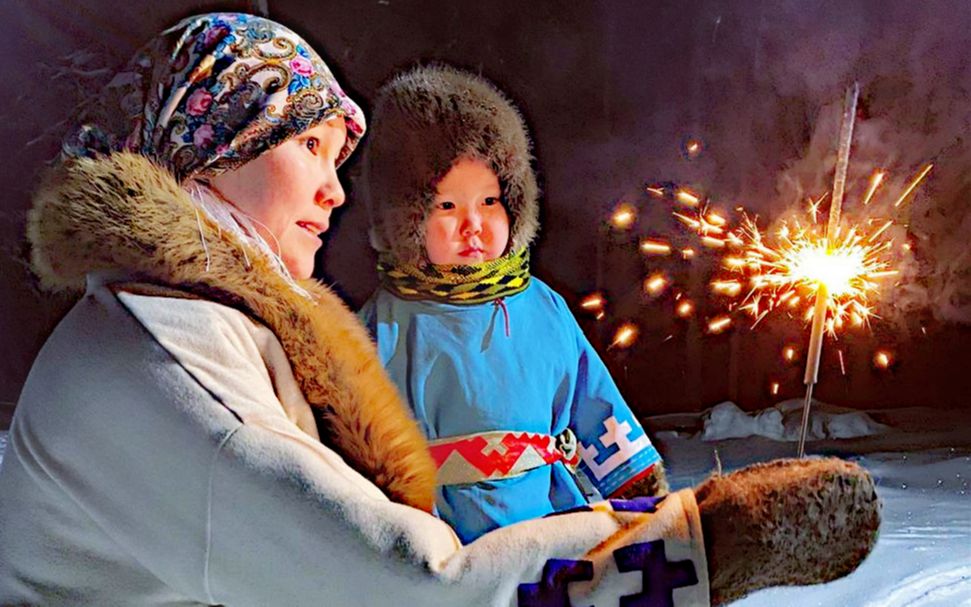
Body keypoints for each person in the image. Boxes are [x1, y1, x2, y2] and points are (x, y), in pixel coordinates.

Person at [0, 12, 879, 607]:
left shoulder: (192, 320)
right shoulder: (173, 369)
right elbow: (412, 587)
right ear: (218, 145)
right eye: (309, 145)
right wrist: (695, 544)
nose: (332, 189)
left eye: (342, 158)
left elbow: (590, 407)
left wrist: (632, 486)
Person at [359, 65, 667, 543]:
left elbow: (593, 402)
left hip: (547, 529)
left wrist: (643, 497)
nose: (473, 225)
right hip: (442, 543)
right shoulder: (383, 326)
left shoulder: (541, 308)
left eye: (489, 201)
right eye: (446, 206)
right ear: (405, 215)